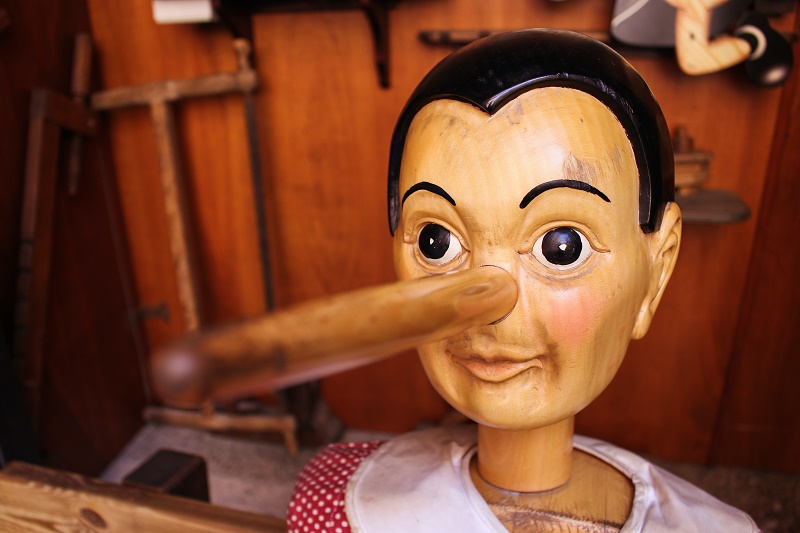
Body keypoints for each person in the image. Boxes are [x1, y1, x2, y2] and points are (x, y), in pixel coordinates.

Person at [287, 29, 758, 532]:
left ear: (656, 269)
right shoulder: (337, 506)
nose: (486, 307)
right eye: (435, 242)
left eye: (561, 247)